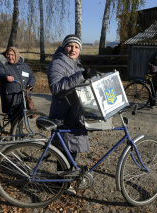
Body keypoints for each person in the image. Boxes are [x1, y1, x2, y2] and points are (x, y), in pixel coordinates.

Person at [47, 34, 97, 195]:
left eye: (76, 47)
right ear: (64, 47)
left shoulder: (76, 64)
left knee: (71, 149)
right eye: (70, 46)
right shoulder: (57, 63)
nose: (73, 49)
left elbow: (80, 84)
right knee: (64, 150)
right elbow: (56, 87)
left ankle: (64, 182)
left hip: (74, 113)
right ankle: (60, 185)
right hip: (63, 114)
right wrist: (81, 75)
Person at [0, 47, 36, 117]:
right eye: (8, 54)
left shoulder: (24, 65)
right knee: (14, 119)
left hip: (23, 96)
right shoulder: (1, 65)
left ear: (17, 55)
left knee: (21, 117)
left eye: (12, 55)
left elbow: (32, 75)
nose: (10, 57)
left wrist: (30, 84)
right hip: (10, 97)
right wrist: (6, 77)